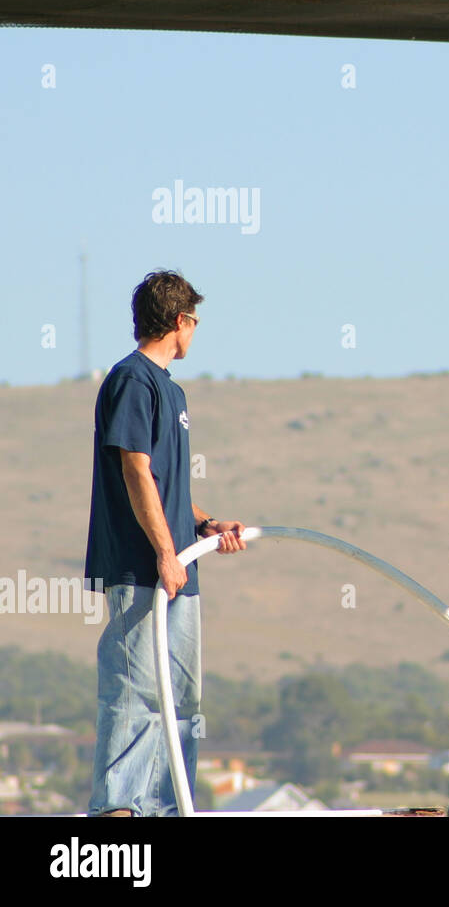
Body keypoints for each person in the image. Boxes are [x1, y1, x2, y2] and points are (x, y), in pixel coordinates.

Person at [84, 270, 247, 817]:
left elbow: (167, 485)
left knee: (181, 701)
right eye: (195, 320)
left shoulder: (171, 389)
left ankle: (167, 806)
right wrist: (161, 551)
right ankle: (119, 809)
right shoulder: (133, 380)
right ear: (180, 321)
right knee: (135, 691)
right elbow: (135, 469)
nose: (196, 331)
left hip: (178, 568)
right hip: (142, 567)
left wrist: (203, 525)